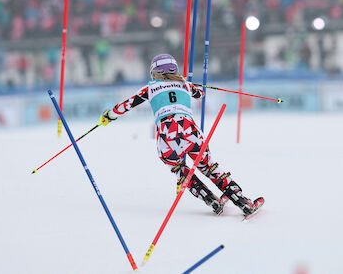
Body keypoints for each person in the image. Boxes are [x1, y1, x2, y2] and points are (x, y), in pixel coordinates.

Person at [98, 53, 263, 217]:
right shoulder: (184, 84)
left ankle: (208, 198)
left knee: (179, 169)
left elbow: (126, 105)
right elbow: (200, 94)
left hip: (166, 137)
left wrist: (108, 116)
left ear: (154, 72)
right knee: (209, 167)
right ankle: (242, 201)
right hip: (190, 131)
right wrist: (187, 83)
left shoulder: (149, 88)